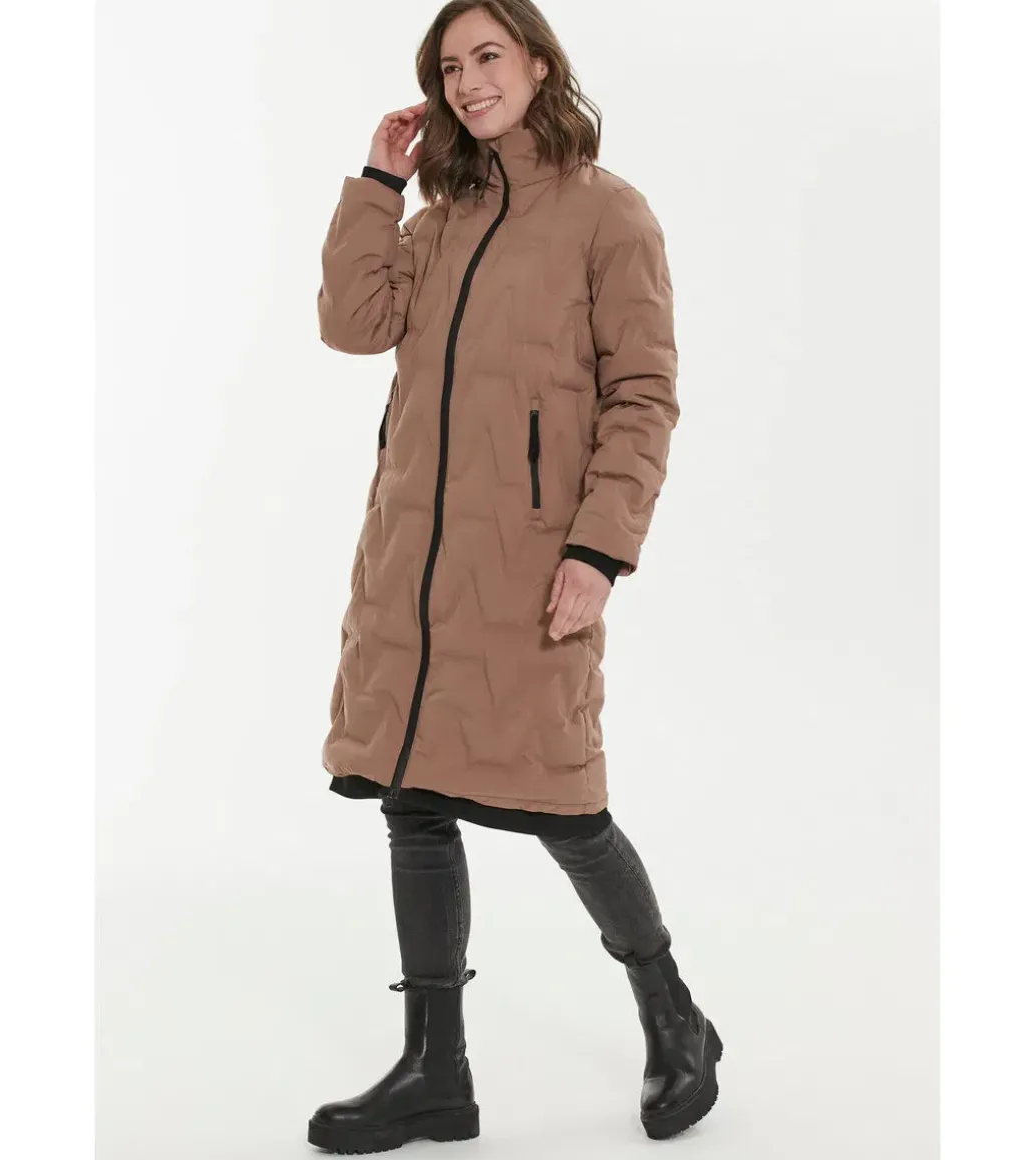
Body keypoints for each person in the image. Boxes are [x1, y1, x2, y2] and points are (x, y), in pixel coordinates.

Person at [307, 1, 723, 1151]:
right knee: (413, 799)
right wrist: (377, 183)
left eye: (486, 55)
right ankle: (433, 1068)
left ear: (538, 64)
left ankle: (673, 1014)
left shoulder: (607, 213)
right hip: (412, 563)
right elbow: (353, 323)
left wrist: (597, 549)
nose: (467, 79)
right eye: (448, 66)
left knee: (566, 805)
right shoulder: (440, 219)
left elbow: (642, 396)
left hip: (532, 564)